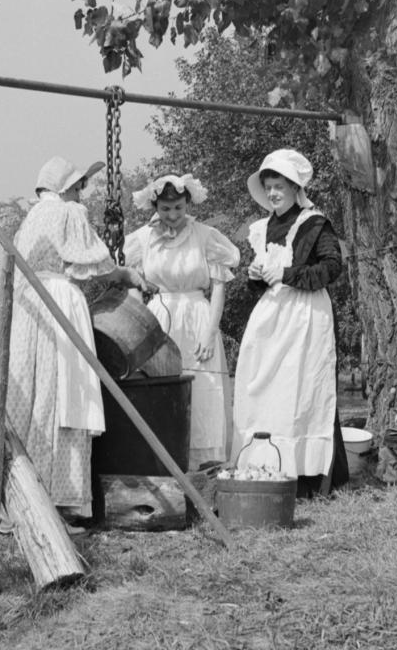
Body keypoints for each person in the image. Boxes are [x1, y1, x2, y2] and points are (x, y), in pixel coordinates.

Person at [6, 155, 152, 525]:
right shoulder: (69, 212)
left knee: (32, 391)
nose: (82, 194)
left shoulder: (30, 220)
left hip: (27, 307)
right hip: (58, 301)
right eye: (79, 187)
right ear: (65, 188)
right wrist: (125, 274)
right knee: (62, 393)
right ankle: (57, 495)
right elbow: (93, 267)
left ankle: (19, 491)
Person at [233, 148, 348, 497]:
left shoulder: (314, 223)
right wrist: (256, 274)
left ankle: (308, 475)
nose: (272, 193)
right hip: (272, 316)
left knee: (301, 390)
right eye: (268, 187)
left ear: (294, 186)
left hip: (305, 315)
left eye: (279, 186)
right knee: (265, 389)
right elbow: (264, 277)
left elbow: (331, 268)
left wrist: (285, 272)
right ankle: (265, 464)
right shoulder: (264, 226)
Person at [124, 174, 241, 468]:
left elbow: (219, 288)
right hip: (160, 318)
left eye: (178, 207)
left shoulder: (205, 236)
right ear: (156, 207)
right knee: (162, 383)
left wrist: (210, 331)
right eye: (165, 209)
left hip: (197, 316)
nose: (173, 216)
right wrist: (141, 330)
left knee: (202, 386)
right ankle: (164, 461)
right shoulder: (142, 239)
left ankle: (204, 465)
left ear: (187, 203)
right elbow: (133, 286)